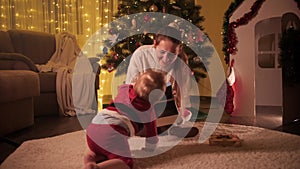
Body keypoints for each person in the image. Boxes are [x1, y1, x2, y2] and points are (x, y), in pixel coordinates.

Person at [84, 70, 166, 169]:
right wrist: (150, 149)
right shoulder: (148, 111)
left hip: (93, 127)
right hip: (111, 132)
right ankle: (96, 168)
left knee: (96, 152)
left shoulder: (124, 89)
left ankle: (89, 161)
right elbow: (152, 136)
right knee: (126, 163)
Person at [125, 25, 197, 134]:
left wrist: (174, 99)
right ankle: (164, 129)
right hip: (141, 104)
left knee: (181, 115)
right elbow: (130, 88)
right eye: (162, 52)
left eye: (172, 54)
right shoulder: (141, 55)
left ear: (179, 50)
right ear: (155, 44)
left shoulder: (182, 66)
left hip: (166, 109)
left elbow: (182, 100)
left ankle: (166, 128)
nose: (166, 59)